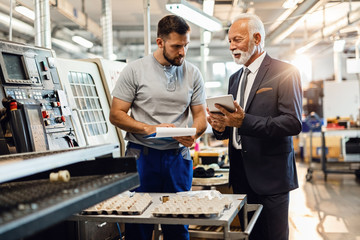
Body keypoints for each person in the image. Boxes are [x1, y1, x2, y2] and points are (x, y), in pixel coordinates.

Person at [109, 15, 207, 240]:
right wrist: (149, 128)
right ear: (160, 42)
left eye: (186, 46)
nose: (182, 52)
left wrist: (194, 133)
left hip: (177, 158)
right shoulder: (134, 71)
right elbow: (116, 114)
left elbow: (200, 115)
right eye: (176, 46)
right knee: (138, 224)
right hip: (142, 157)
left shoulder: (193, 73)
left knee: (178, 225)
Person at [206, 13, 302, 240]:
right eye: (229, 41)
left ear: (257, 38)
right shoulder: (234, 78)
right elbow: (233, 127)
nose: (231, 46)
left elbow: (293, 122)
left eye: (237, 40)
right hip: (241, 176)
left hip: (271, 176)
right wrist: (220, 126)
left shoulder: (285, 72)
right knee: (251, 236)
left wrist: (244, 121)